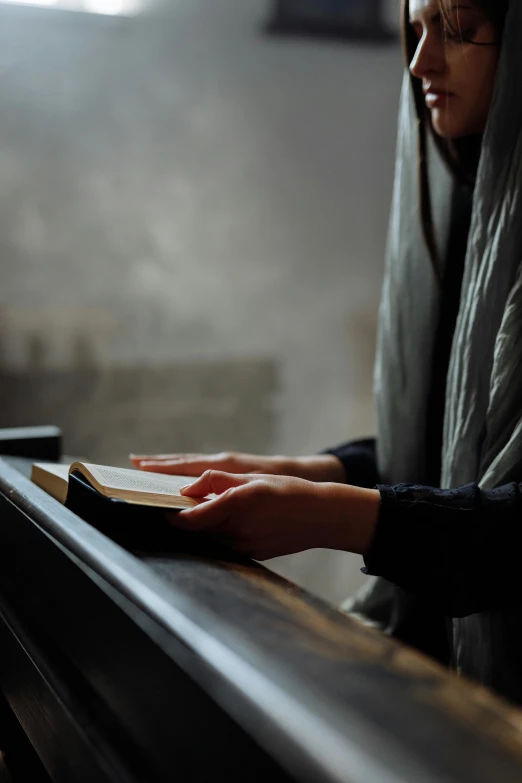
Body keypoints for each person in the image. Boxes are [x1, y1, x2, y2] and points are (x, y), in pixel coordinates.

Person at [132, 0, 522, 704]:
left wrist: (328, 515)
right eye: (415, 27)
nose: (420, 61)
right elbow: (453, 443)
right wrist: (286, 472)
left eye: (456, 27)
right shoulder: (463, 201)